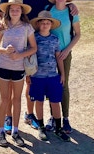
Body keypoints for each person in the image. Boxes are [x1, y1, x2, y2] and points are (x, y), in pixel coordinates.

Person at [0, 0, 79, 133]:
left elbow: (57, 3)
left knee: (30, 82)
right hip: (16, 45)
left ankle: (29, 114)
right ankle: (9, 116)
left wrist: (70, 4)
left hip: (35, 45)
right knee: (12, 85)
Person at [0, 0, 37, 147]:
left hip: (18, 68)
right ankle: (0, 132)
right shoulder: (2, 25)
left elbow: (33, 48)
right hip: (3, 66)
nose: (15, 11)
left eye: (18, 9)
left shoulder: (27, 27)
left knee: (16, 99)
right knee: (4, 99)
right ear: (8, 11)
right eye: (12, 9)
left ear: (21, 11)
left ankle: (16, 131)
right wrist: (4, 51)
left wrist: (20, 55)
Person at [44, 0, 81, 134]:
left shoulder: (72, 12)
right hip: (49, 54)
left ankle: (65, 118)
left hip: (64, 54)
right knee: (50, 85)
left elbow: (78, 34)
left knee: (63, 85)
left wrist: (67, 50)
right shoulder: (48, 10)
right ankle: (53, 117)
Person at [29, 11, 70, 142]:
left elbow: (59, 58)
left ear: (51, 25)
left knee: (55, 102)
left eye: (48, 23)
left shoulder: (55, 39)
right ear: (38, 24)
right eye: (43, 23)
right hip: (37, 76)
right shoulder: (34, 39)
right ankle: (41, 127)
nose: (45, 25)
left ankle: (58, 128)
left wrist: (62, 74)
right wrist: (28, 75)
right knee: (39, 101)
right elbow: (29, 57)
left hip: (53, 75)